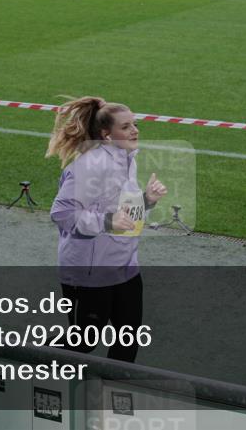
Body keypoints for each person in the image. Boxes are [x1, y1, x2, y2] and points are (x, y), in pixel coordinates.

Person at [46, 96, 166, 363]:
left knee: (128, 339)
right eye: (125, 127)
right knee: (83, 343)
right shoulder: (89, 166)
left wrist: (146, 201)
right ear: (106, 135)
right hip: (89, 272)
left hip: (124, 266)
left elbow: (120, 211)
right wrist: (106, 222)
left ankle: (113, 399)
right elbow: (62, 213)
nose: (134, 130)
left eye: (134, 124)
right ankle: (25, 362)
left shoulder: (127, 161)